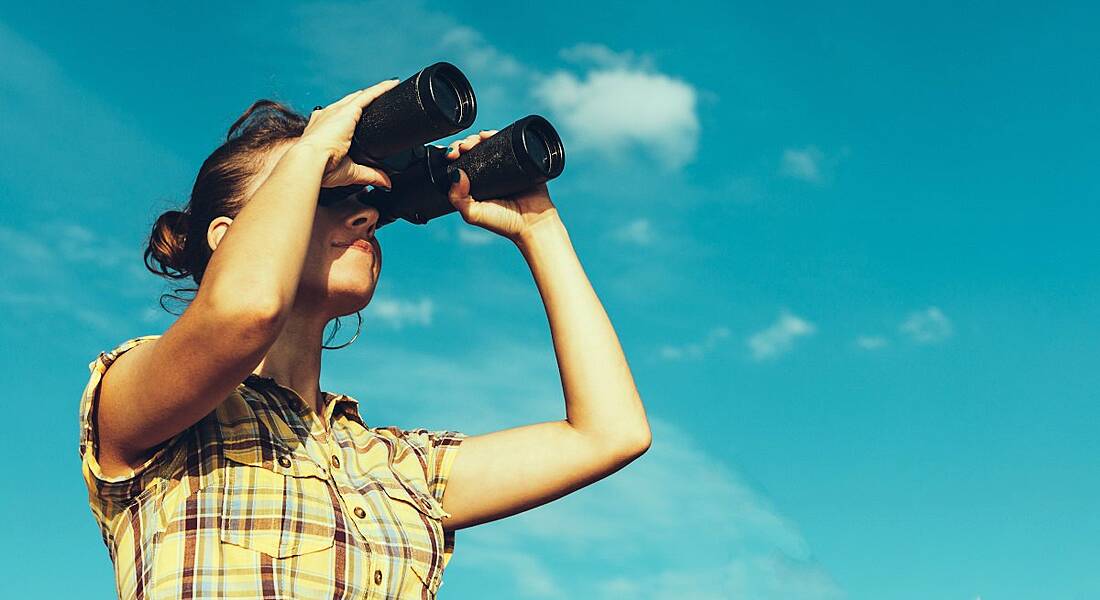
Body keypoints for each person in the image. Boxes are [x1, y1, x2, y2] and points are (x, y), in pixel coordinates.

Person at [78, 78, 652, 599]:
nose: (365, 218)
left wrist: (538, 226)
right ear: (226, 238)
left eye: (371, 201)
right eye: (328, 191)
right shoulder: (148, 408)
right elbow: (243, 312)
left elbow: (610, 433)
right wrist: (309, 152)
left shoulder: (398, 467)